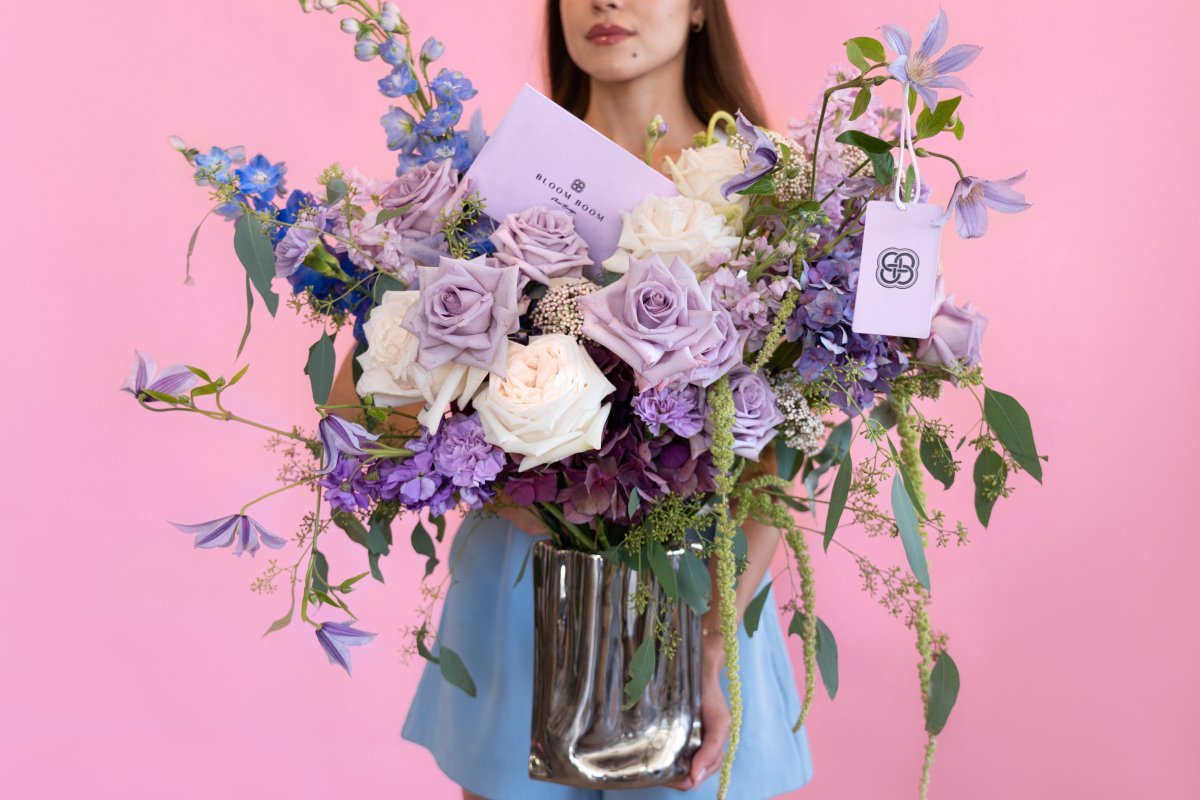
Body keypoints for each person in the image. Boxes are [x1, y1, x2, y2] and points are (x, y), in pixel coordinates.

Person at [327, 2, 815, 797]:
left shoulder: (768, 195)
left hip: (697, 609)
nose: (606, 2)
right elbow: (358, 405)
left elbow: (775, 462)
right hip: (521, 596)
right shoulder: (485, 183)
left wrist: (713, 644)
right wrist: (494, 472)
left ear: (699, 9)